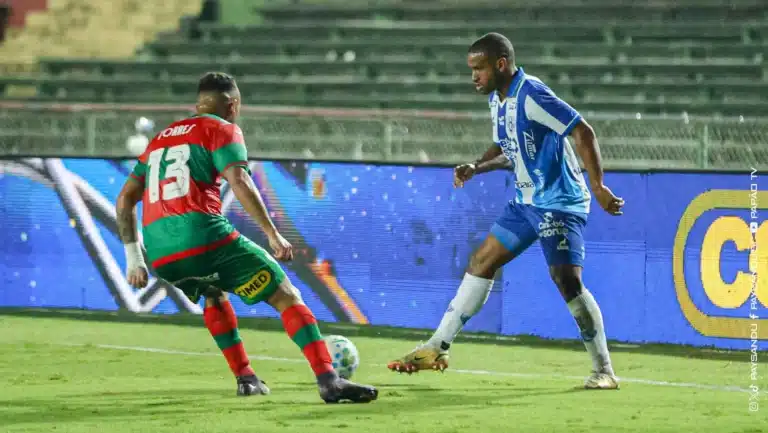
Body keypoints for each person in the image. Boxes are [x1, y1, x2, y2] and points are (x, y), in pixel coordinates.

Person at [115, 71, 378, 403]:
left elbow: (125, 198)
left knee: (212, 292)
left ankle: (246, 379)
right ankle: (329, 379)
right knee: (285, 295)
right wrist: (273, 235)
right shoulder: (222, 129)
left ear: (198, 103)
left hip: (161, 253)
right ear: (233, 104)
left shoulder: (160, 139)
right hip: (203, 236)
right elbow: (238, 179)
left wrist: (134, 259)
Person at [387, 33, 624, 390]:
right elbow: (507, 146)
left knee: (566, 280)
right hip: (527, 202)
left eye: (479, 68)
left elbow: (582, 131)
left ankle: (604, 370)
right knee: (482, 261)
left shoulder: (532, 94)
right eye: (471, 70)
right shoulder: (499, 102)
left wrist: (598, 186)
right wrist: (476, 166)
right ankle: (438, 346)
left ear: (501, 64)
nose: (474, 77)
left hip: (559, 202)